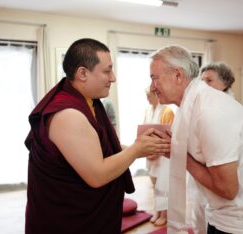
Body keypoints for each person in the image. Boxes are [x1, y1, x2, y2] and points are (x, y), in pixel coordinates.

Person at [24, 38, 170, 234]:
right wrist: (136, 150)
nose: (113, 78)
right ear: (82, 73)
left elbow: (101, 149)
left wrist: (144, 147)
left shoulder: (89, 102)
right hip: (68, 220)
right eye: (107, 71)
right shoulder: (68, 115)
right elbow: (96, 175)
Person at [149, 45, 243, 234]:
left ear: (178, 75)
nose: (151, 87)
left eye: (154, 78)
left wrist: (178, 154)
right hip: (218, 211)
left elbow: (228, 189)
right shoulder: (190, 104)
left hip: (241, 219)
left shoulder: (210, 112)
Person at [143, 87, 174, 226]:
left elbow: (169, 135)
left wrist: (157, 151)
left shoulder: (167, 111)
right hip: (150, 152)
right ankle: (158, 210)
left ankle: (165, 214)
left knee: (164, 185)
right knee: (154, 184)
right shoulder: (148, 110)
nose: (147, 98)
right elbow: (143, 131)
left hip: (162, 154)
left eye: (149, 95)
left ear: (156, 95)